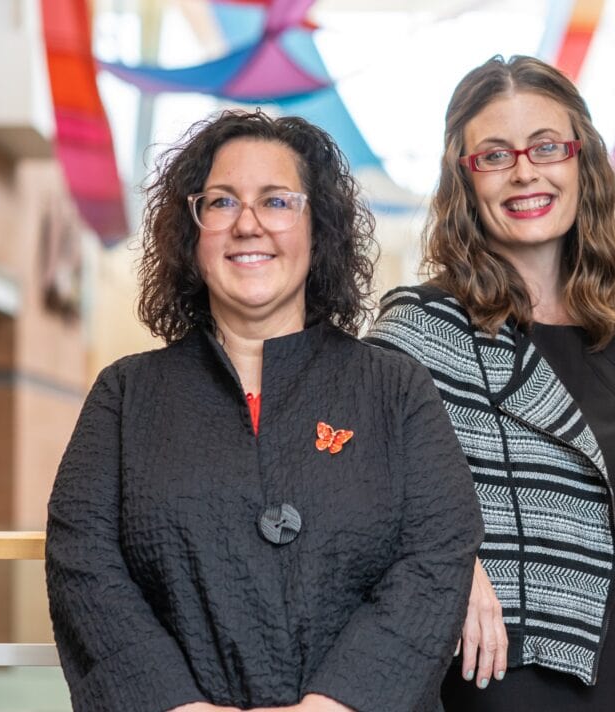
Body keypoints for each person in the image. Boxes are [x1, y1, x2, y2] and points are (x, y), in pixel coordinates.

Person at [45, 109, 483, 712]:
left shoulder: (395, 389)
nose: (247, 225)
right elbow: (84, 569)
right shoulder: (124, 396)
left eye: (277, 202)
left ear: (318, 228)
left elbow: (437, 553)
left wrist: (335, 705)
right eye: (221, 203)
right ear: (192, 232)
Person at [366, 55, 615, 711]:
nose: (525, 171)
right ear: (464, 180)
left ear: (581, 161)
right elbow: (350, 492)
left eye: (546, 146)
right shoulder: (422, 331)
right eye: (494, 155)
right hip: (515, 691)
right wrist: (447, 562)